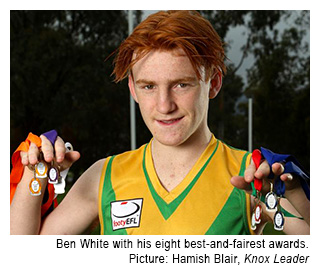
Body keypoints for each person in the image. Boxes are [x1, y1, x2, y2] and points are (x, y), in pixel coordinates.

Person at [10, 10, 310, 235]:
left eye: (182, 84)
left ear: (214, 82)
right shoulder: (104, 176)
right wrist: (33, 177)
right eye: (149, 86)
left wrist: (289, 191)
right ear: (133, 89)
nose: (164, 106)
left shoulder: (249, 174)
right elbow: (23, 255)